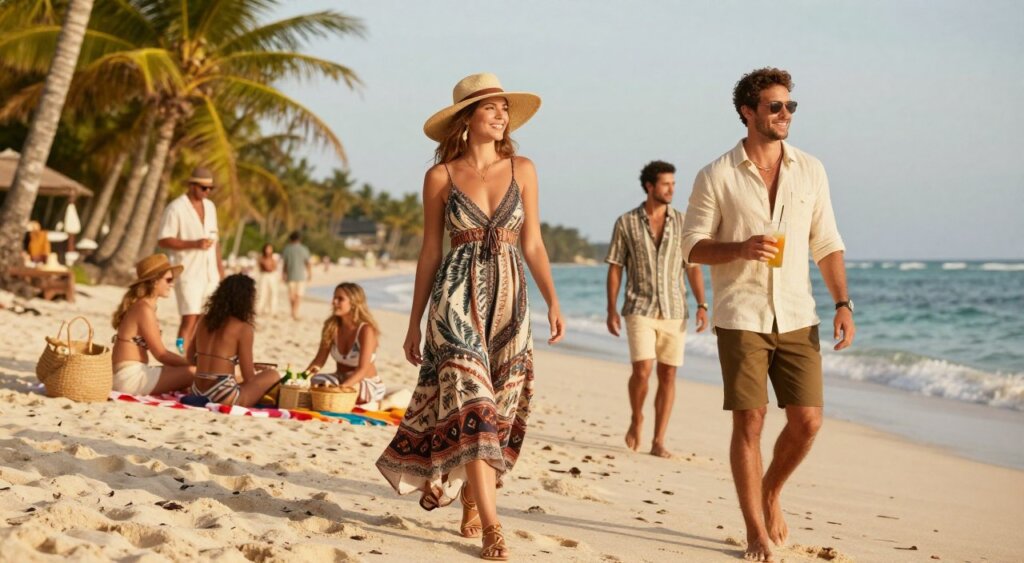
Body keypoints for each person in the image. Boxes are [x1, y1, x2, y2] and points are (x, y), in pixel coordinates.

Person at [376, 72, 564, 561]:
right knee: (472, 399)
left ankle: (473, 497)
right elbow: (429, 253)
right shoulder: (440, 177)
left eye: (504, 109)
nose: (501, 116)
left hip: (511, 303)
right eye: (491, 108)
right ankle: (494, 527)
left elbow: (534, 243)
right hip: (455, 300)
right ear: (467, 119)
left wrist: (554, 301)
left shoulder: (523, 168)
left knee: (498, 409)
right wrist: (415, 320)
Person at [680, 67, 856, 562]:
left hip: (799, 312)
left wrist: (843, 302)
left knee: (808, 422)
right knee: (750, 422)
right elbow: (691, 247)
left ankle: (771, 489)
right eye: (775, 107)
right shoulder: (716, 174)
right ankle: (755, 531)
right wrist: (740, 247)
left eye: (790, 106)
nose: (785, 115)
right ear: (748, 113)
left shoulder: (811, 170)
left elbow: (827, 243)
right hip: (742, 315)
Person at [606, 160, 708, 459]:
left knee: (668, 375)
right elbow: (615, 268)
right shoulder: (625, 222)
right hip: (638, 306)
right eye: (666, 184)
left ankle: (659, 440)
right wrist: (611, 309)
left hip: (675, 310)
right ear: (650, 186)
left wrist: (702, 305)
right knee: (643, 370)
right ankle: (637, 417)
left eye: (673, 184)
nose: (671, 189)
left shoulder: (684, 222)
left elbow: (694, 268)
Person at [157, 167, 225, 351]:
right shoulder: (175, 208)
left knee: (205, 319)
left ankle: (196, 356)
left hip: (210, 274)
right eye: (203, 188)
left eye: (210, 188)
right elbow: (163, 239)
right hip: (188, 273)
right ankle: (180, 353)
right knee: (189, 319)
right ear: (191, 185)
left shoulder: (210, 207)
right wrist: (194, 244)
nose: (207, 192)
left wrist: (221, 272)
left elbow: (215, 242)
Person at [189, 273, 280, 407]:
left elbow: (190, 357)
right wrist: (259, 371)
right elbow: (249, 377)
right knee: (272, 374)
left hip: (196, 390)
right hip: (223, 394)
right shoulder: (243, 328)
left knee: (236, 377)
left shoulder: (203, 320)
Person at [110, 254, 195, 395]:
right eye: (168, 280)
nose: (172, 284)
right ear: (155, 281)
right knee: (194, 372)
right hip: (130, 378)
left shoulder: (144, 306)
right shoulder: (144, 309)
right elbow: (161, 354)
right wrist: (194, 365)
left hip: (131, 373)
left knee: (186, 372)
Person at [304, 283, 386, 406]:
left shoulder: (365, 330)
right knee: (315, 382)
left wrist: (341, 388)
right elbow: (319, 361)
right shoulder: (331, 327)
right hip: (339, 378)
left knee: (352, 391)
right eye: (334, 297)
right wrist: (303, 378)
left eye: (340, 299)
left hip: (364, 382)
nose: (334, 302)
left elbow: (362, 369)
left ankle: (381, 402)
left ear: (354, 302)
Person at [280, 231, 312, 321]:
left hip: (290, 275)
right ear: (299, 239)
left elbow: (285, 264)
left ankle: (292, 311)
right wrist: (310, 274)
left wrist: (283, 274)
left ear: (290, 239)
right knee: (299, 295)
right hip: (301, 276)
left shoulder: (287, 249)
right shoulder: (304, 249)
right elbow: (307, 263)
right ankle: (295, 312)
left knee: (291, 295)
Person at [256, 243, 278, 317]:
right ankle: (259, 309)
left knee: (273, 293)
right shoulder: (261, 258)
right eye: (267, 249)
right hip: (264, 276)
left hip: (272, 276)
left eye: (270, 249)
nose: (268, 250)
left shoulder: (273, 258)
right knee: (262, 292)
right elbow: (263, 266)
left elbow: (274, 267)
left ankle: (272, 310)